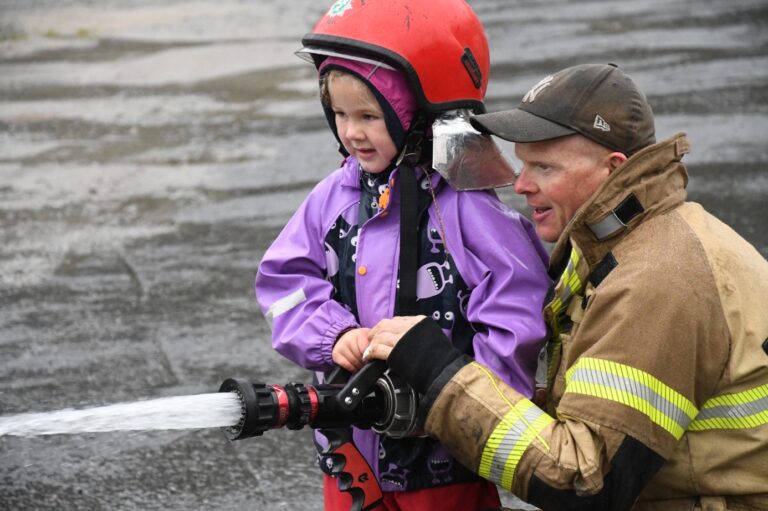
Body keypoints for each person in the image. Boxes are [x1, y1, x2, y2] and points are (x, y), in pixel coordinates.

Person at [364, 63, 768, 510]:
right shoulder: (630, 241)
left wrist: (442, 376)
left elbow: (583, 482)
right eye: (522, 163)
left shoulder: (656, 280)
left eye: (544, 166)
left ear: (612, 168)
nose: (521, 184)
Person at [255, 1, 551, 509]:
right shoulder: (332, 198)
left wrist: (465, 403)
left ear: (419, 113)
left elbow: (517, 307)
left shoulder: (463, 205)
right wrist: (334, 334)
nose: (352, 132)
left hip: (443, 464)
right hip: (352, 455)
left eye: (370, 115)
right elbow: (285, 282)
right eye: (341, 115)